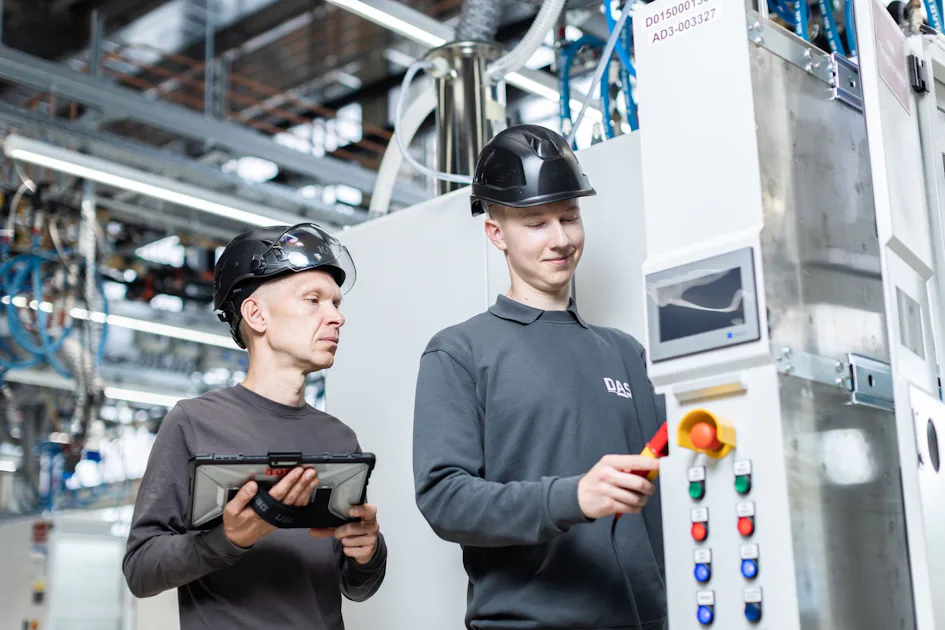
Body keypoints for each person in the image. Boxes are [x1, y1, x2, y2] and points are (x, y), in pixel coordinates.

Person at [412, 125, 667, 630]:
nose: (560, 239)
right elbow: (445, 499)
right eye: (535, 223)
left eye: (569, 217)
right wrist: (572, 497)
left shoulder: (627, 354)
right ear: (496, 234)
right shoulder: (460, 351)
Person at [123, 223, 387, 630]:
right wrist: (229, 539)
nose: (336, 317)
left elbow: (355, 586)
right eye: (313, 300)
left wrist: (367, 553)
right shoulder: (194, 423)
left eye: (335, 303)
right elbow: (141, 569)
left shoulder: (339, 439)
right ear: (256, 314)